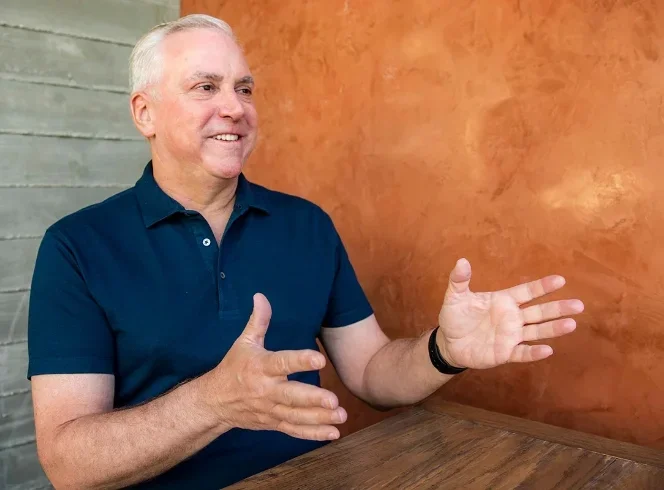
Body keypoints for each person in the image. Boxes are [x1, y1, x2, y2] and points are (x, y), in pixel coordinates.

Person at [27, 14, 585, 490]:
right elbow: (68, 462)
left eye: (244, 88)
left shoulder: (306, 225)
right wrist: (214, 403)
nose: (235, 108)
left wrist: (445, 350)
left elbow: (370, 372)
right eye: (205, 87)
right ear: (144, 113)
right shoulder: (77, 247)